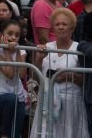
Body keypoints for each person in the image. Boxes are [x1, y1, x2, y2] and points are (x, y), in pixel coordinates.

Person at [38, 8, 88, 138]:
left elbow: (86, 80)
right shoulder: (47, 47)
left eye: (64, 24)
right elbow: (36, 74)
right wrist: (39, 57)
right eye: (57, 24)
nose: (60, 27)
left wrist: (68, 76)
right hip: (47, 102)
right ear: (53, 28)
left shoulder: (78, 49)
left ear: (72, 28)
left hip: (71, 103)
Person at [0, 18, 28, 138]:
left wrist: (18, 52)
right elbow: (9, 73)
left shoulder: (21, 51)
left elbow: (21, 74)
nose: (14, 37)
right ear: (1, 35)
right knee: (10, 99)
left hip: (19, 96)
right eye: (10, 33)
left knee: (15, 133)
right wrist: (6, 51)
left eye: (17, 35)